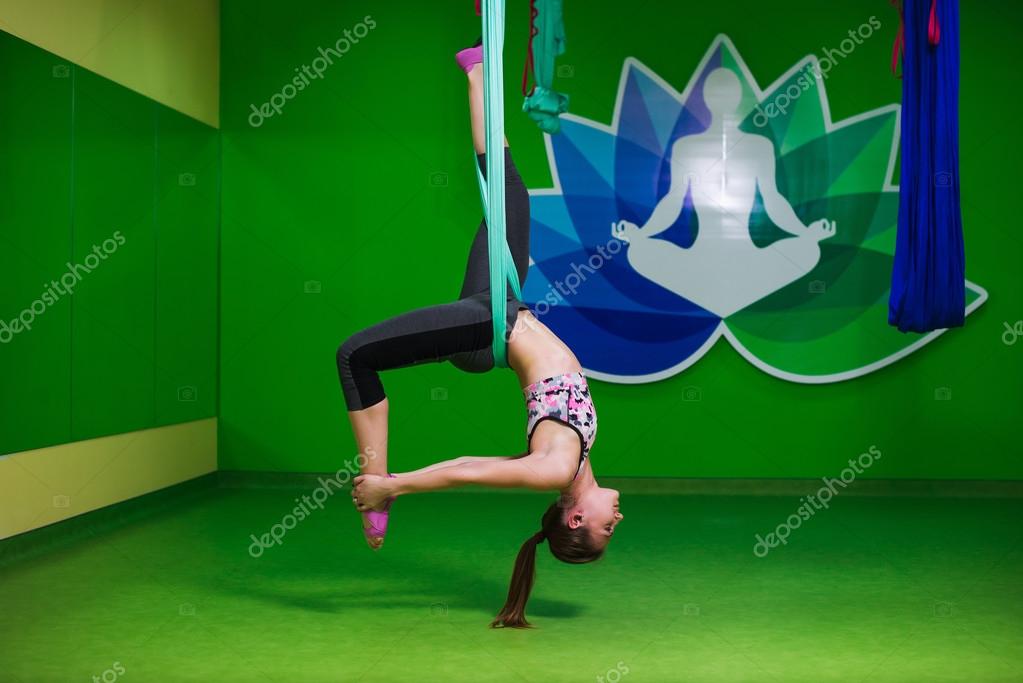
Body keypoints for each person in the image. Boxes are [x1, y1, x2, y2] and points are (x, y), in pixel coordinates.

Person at [336, 38, 623, 628]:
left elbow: (467, 467)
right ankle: (475, 71)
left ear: (574, 519)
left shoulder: (553, 469)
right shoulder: (580, 457)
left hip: (490, 326)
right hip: (504, 310)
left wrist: (397, 487)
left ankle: (376, 489)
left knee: (354, 355)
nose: (614, 523)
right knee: (509, 192)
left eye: (602, 531)